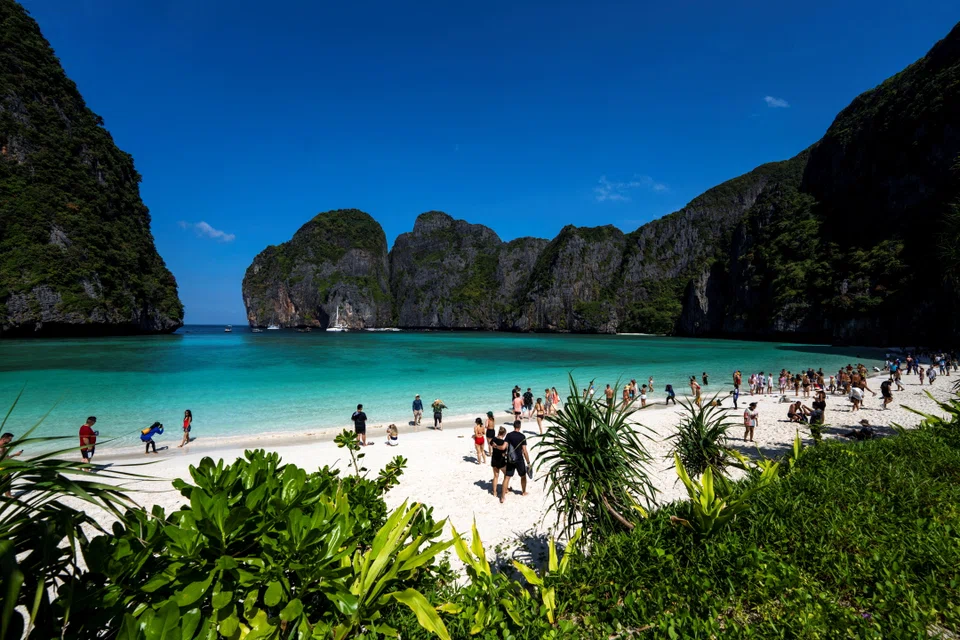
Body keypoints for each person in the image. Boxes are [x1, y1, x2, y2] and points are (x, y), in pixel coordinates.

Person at [501, 420, 532, 503]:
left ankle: (502, 497)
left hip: (510, 459)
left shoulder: (509, 435)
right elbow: (524, 451)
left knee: (507, 477)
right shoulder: (522, 436)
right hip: (519, 459)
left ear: (513, 426)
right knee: (523, 476)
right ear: (520, 426)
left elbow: (504, 446)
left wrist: (502, 452)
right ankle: (524, 492)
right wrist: (528, 462)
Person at [0, 433, 23, 497]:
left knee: (6, 480)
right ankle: (8, 495)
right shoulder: (2, 448)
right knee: (7, 480)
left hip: (2, 465)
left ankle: (8, 495)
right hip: (2, 467)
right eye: (9, 439)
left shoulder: (4, 447)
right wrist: (15, 454)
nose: (10, 441)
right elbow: (5, 458)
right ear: (4, 439)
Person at [490, 426, 507, 501]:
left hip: (494, 459)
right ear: (504, 434)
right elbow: (504, 452)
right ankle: (505, 489)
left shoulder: (493, 439)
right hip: (501, 460)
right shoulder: (503, 442)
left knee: (495, 476)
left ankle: (494, 492)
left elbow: (491, 443)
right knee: (506, 475)